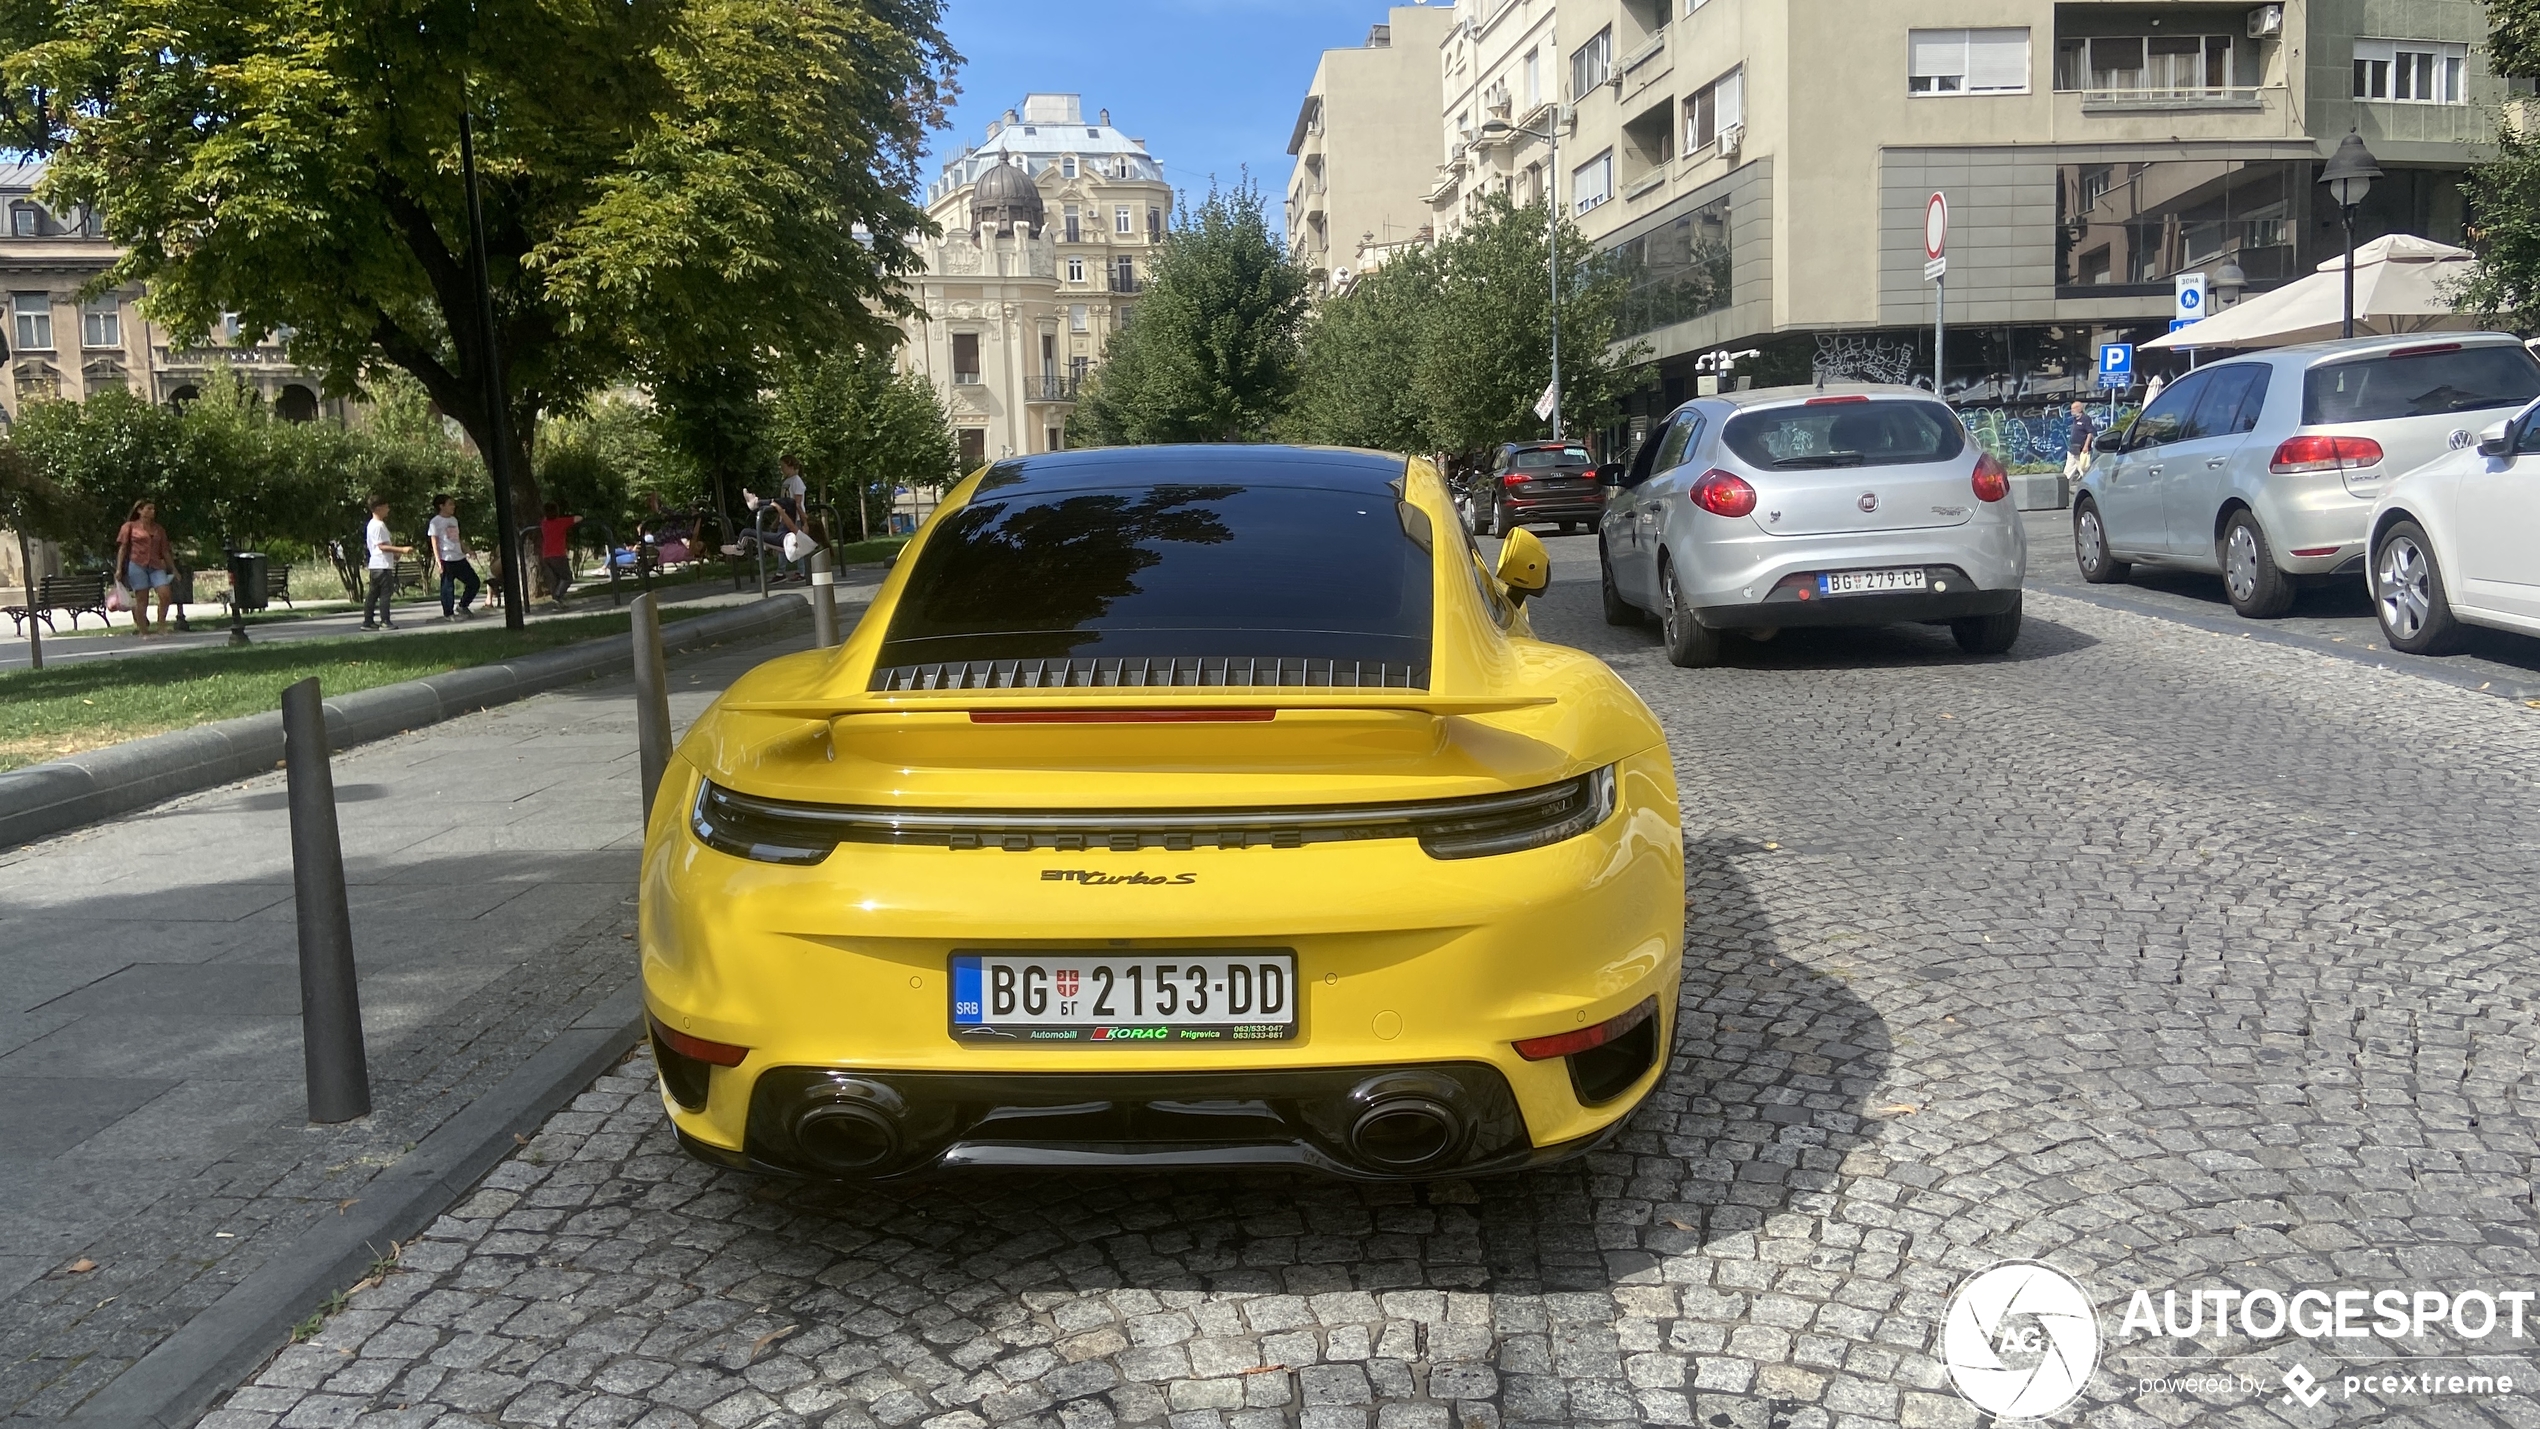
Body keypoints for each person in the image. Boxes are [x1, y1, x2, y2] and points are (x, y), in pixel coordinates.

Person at [114, 499, 177, 637]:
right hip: (137, 565)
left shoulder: (159, 529)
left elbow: (165, 551)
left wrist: (173, 569)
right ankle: (144, 630)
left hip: (156, 565)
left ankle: (161, 625)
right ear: (140, 510)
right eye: (149, 508)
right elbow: (123, 548)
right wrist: (119, 569)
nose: (152, 511)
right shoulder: (129, 527)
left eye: (153, 509)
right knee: (142, 599)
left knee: (165, 595)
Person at [362, 496, 413, 631]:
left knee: (373, 593)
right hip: (382, 565)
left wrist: (394, 554)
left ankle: (368, 621)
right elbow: (382, 546)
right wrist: (402, 549)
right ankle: (385, 621)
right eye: (386, 507)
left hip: (376, 565)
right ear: (378, 508)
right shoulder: (378, 525)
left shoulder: (372, 524)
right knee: (385, 593)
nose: (388, 510)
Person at [426, 493, 480, 620]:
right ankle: (448, 613)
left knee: (474, 582)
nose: (453, 507)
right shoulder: (435, 522)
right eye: (450, 504)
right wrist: (439, 561)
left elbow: (457, 539)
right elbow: (435, 542)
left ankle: (463, 605)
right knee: (447, 588)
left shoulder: (453, 520)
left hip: (459, 557)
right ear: (441, 506)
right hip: (447, 558)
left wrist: (468, 550)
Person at [540, 502, 581, 609]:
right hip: (558, 555)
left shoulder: (544, 524)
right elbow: (578, 518)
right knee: (567, 578)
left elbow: (544, 519)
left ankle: (558, 602)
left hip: (546, 556)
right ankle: (557, 596)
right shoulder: (561, 522)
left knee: (556, 579)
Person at [2065, 401, 2097, 484]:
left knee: (2084, 469)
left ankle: (2089, 485)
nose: (2071, 410)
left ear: (2079, 409)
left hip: (2082, 450)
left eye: (2073, 409)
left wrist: (2086, 446)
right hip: (2073, 449)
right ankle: (2064, 486)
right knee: (2068, 471)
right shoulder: (2075, 419)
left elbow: (2090, 433)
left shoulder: (2085, 418)